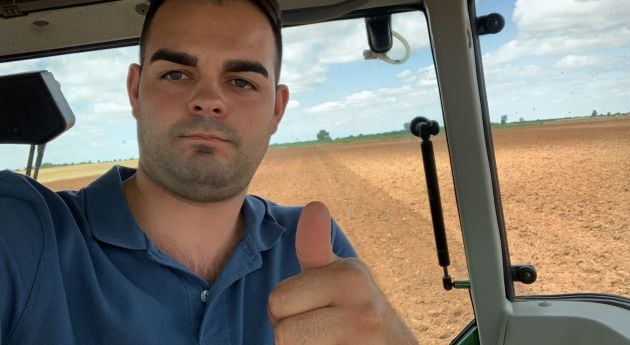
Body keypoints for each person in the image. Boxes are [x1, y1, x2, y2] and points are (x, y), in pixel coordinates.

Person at [0, 0, 418, 344]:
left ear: (277, 109)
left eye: (241, 82)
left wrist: (392, 336)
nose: (208, 100)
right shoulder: (27, 233)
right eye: (177, 73)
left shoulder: (309, 244)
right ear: (136, 91)